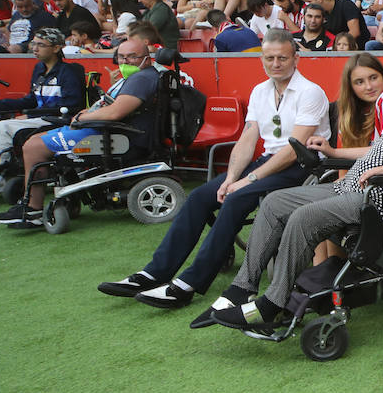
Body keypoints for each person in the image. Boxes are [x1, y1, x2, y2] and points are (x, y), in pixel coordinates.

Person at [201, 40, 383, 332]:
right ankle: (242, 288)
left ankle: (273, 303)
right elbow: (379, 150)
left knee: (304, 217)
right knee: (274, 202)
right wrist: (333, 152)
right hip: (360, 190)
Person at [96, 31, 329, 309]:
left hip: (302, 166)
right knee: (200, 197)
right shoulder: (260, 91)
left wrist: (247, 181)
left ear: (296, 58)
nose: (275, 63)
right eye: (269, 58)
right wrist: (230, 177)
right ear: (262, 59)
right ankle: (154, 273)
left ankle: (187, 284)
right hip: (268, 162)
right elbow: (248, 138)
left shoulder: (310, 91)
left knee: (235, 199)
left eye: (282, 57)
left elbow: (294, 149)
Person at [0, 37, 160, 229]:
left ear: (147, 59)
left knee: (34, 146)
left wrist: (83, 118)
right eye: (121, 57)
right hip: (106, 130)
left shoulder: (142, 79)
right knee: (35, 139)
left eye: (132, 57)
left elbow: (115, 113)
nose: (125, 62)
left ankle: (33, 210)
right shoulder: (137, 78)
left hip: (115, 136)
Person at [0, 28, 83, 188]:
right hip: (37, 117)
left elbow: (71, 106)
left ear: (56, 48)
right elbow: (30, 100)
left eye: (41, 45)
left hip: (56, 120)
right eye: (33, 43)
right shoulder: (39, 70)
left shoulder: (68, 72)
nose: (34, 48)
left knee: (0, 128)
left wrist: (30, 116)